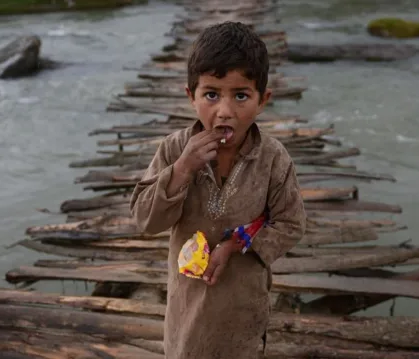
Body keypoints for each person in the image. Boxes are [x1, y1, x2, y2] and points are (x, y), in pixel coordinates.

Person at [129, 21, 306, 359]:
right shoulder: (173, 150)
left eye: (241, 95)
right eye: (211, 94)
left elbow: (292, 223)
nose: (224, 111)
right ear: (190, 96)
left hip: (242, 308)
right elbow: (145, 220)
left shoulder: (272, 159)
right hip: (187, 309)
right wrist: (182, 169)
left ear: (263, 99)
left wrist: (237, 244)